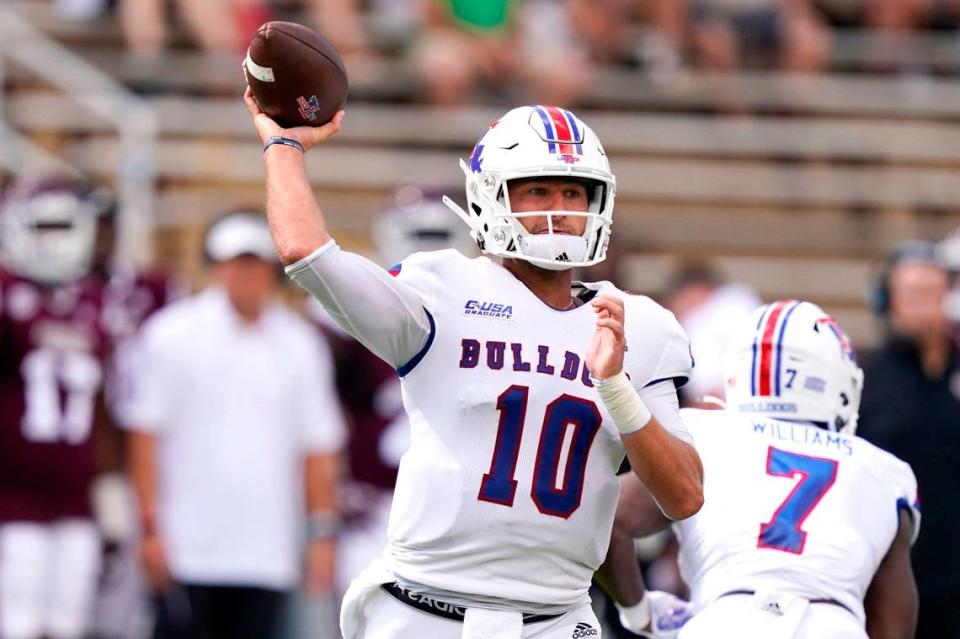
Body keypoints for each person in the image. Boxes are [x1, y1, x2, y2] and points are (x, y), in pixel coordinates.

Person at [245, 93, 704, 638]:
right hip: (424, 611)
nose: (559, 208)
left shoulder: (638, 326)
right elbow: (307, 254)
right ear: (492, 197)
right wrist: (284, 146)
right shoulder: (442, 291)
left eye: (573, 192)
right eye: (537, 190)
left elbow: (684, 495)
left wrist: (615, 387)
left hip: (556, 619)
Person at [601, 300, 920, 639]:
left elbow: (606, 517)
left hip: (728, 622)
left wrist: (640, 612)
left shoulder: (706, 435)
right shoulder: (882, 471)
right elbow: (893, 621)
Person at [124, 211, 346, 639]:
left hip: (267, 548)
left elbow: (317, 447)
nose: (244, 274)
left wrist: (321, 534)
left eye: (254, 263)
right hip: (187, 544)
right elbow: (144, 437)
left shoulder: (301, 346)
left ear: (271, 271)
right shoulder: (170, 335)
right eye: (234, 263)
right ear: (215, 267)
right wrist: (149, 527)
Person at [0, 175, 114, 639]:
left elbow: (107, 406)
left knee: (70, 623)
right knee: (18, 619)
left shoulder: (95, 301)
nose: (51, 241)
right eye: (41, 228)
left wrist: (111, 488)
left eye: (60, 228)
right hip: (13, 497)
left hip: (76, 496)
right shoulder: (8, 295)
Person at [857, 241, 960, 639]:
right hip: (892, 575)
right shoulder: (864, 381)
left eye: (932, 294)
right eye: (912, 294)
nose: (924, 307)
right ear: (888, 301)